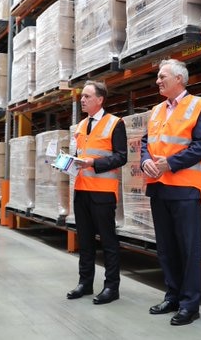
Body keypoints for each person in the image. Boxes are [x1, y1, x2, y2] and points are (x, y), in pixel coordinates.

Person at [140, 59, 201, 326]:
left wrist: (170, 163)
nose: (158, 81)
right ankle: (172, 295)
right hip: (158, 188)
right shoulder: (157, 109)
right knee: (166, 248)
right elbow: (146, 142)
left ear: (179, 79)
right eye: (158, 77)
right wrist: (145, 161)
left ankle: (189, 304)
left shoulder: (198, 106)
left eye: (163, 77)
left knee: (188, 248)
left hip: (185, 188)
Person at [67, 80, 127, 305]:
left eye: (87, 96)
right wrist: (67, 163)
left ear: (100, 99)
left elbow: (121, 156)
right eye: (82, 96)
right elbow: (79, 154)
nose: (82, 100)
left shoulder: (115, 123)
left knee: (108, 241)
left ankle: (112, 287)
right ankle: (85, 282)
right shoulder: (81, 126)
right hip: (81, 190)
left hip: (102, 192)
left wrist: (93, 162)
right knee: (85, 240)